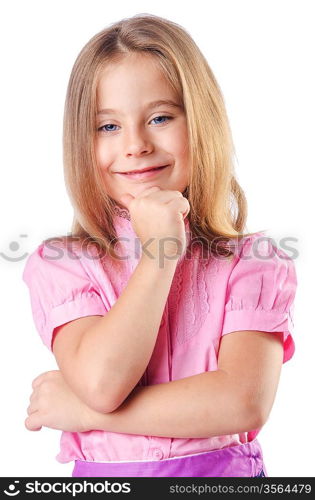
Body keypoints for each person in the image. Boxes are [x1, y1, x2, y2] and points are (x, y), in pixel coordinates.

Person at [22, 13, 297, 478]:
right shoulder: (63, 264)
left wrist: (87, 415)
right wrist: (159, 253)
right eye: (107, 127)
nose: (136, 145)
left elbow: (242, 402)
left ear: (201, 121)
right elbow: (102, 383)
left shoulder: (254, 263)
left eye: (160, 117)